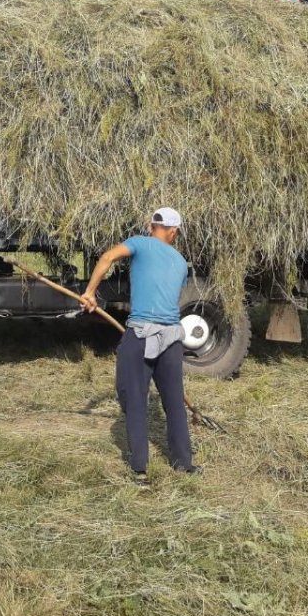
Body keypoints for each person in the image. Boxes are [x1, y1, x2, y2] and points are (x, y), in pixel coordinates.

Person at [81, 207, 198, 484]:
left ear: (151, 226)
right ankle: (184, 463)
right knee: (174, 402)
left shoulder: (139, 243)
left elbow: (107, 257)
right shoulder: (181, 262)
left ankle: (140, 468)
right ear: (173, 232)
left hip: (142, 335)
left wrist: (90, 292)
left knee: (134, 399)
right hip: (172, 338)